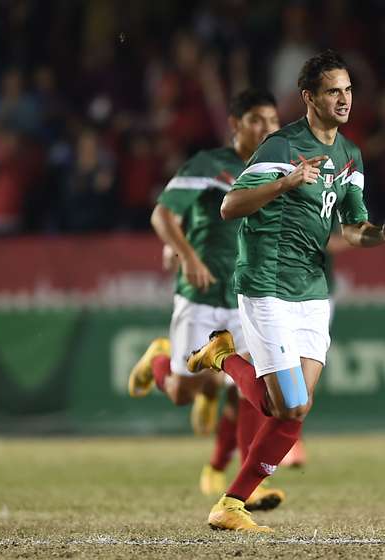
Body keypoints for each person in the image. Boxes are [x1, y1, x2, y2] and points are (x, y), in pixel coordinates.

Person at [187, 50, 385, 532]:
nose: (345, 99)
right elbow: (230, 205)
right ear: (309, 97)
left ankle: (230, 503)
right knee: (290, 404)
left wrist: (381, 235)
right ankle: (223, 360)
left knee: (291, 409)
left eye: (349, 90)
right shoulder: (281, 146)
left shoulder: (349, 155)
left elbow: (352, 228)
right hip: (265, 284)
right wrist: (286, 183)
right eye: (334, 90)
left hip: (311, 290)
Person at [126, 89, 284, 510]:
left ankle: (248, 483)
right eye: (256, 120)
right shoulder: (210, 165)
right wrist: (186, 252)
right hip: (200, 295)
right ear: (235, 124)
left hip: (246, 297)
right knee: (182, 392)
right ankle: (160, 359)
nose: (267, 128)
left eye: (272, 120)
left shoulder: (277, 172)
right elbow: (163, 214)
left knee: (254, 386)